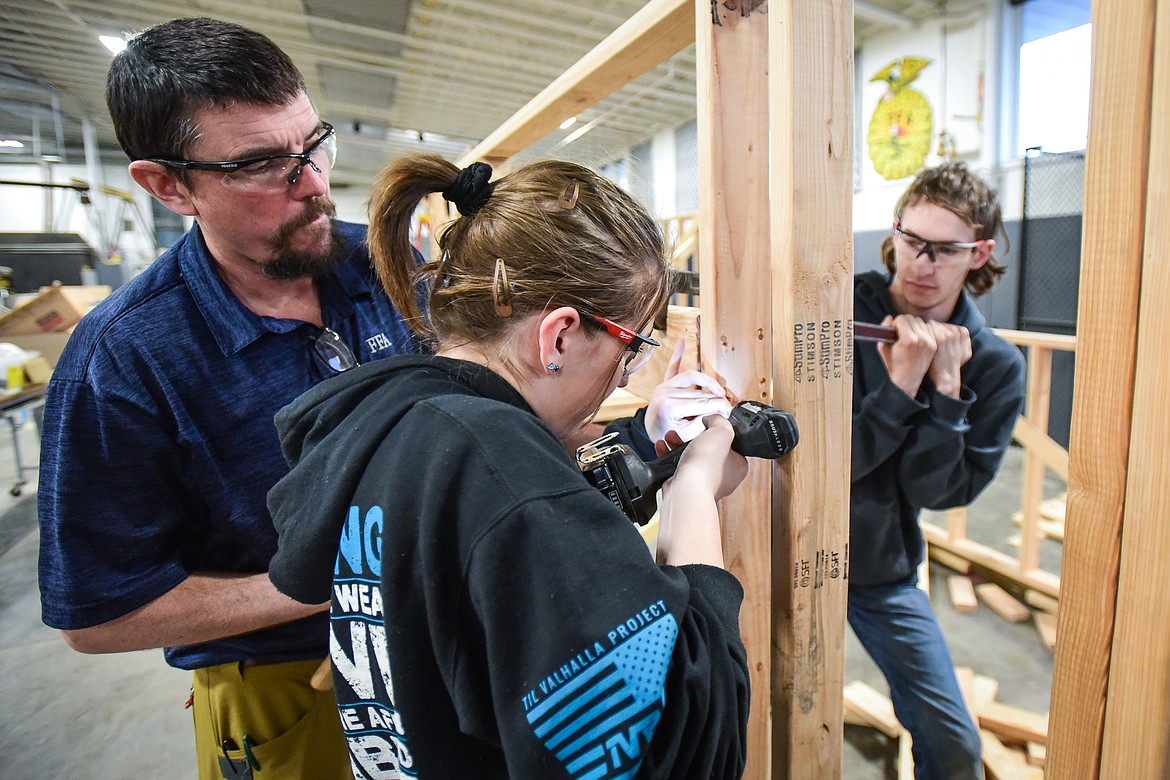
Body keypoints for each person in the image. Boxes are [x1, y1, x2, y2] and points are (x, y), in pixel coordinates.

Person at [267, 155, 753, 779]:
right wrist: (695, 493)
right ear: (557, 337)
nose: (621, 378)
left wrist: (639, 444)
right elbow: (679, 751)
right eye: (629, 349)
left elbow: (498, 560)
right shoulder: (501, 472)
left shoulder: (395, 422)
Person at [35, 17, 424, 780]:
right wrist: (315, 585)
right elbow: (99, 614)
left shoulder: (387, 261)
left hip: (440, 644)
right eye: (259, 164)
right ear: (168, 186)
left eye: (315, 145)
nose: (312, 184)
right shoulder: (123, 361)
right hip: (286, 694)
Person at [850, 161, 1026, 779]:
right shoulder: (839, 310)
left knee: (955, 751)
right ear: (895, 233)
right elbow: (824, 462)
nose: (922, 264)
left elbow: (936, 491)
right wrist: (898, 383)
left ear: (978, 254)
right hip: (782, 539)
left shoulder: (996, 366)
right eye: (912, 242)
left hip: (878, 563)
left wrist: (945, 391)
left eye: (944, 250)